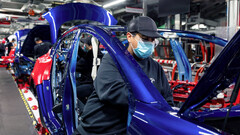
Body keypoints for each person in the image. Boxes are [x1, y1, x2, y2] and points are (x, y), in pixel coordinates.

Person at [77, 16, 173, 134]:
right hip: (98, 129)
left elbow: (167, 100)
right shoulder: (113, 59)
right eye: (144, 39)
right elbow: (113, 92)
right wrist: (154, 102)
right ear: (129, 37)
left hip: (133, 129)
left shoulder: (156, 68)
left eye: (153, 40)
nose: (150, 43)